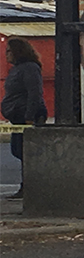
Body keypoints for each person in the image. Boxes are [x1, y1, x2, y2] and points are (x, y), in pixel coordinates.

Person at [1, 38, 48, 200]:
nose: (6, 54)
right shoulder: (17, 69)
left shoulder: (29, 68)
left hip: (27, 116)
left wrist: (29, 117)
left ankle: (30, 186)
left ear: (18, 51)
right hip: (17, 117)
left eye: (8, 51)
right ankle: (27, 185)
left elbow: (34, 93)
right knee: (18, 149)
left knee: (25, 150)